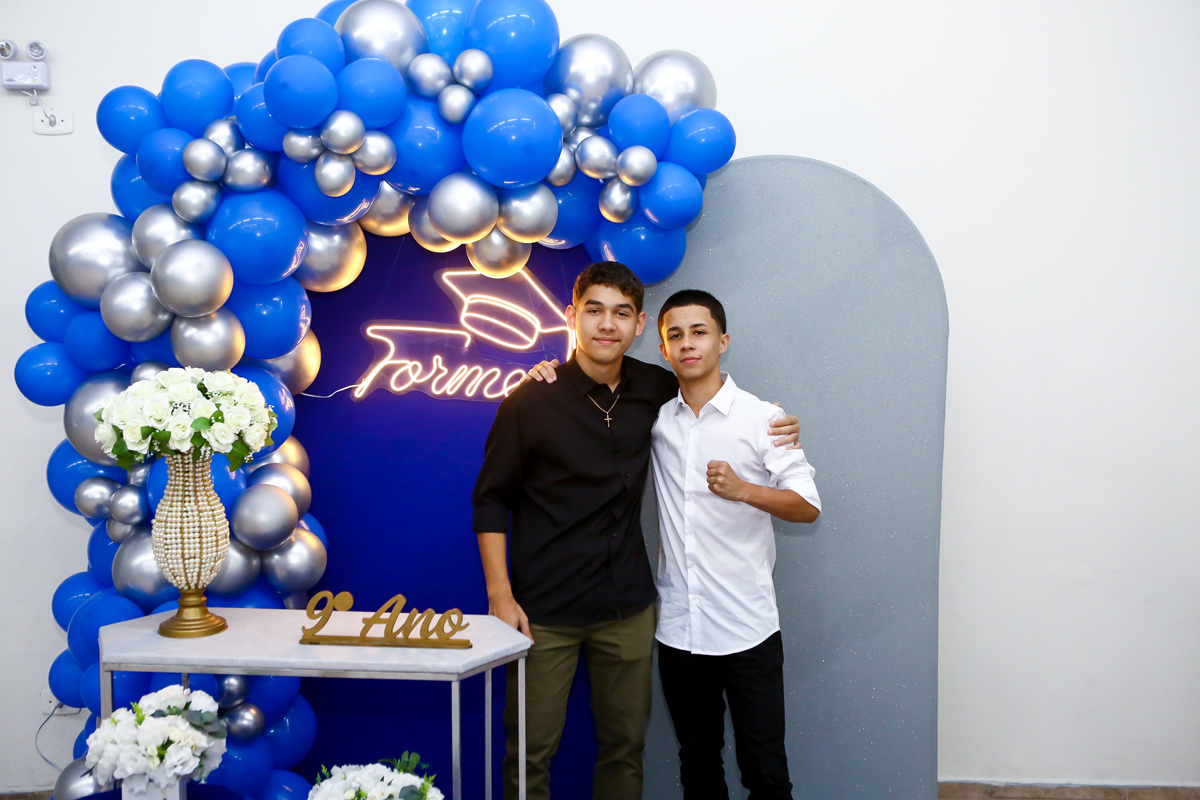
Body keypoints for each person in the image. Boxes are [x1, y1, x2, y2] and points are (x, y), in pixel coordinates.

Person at [472, 262, 802, 800]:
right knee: (529, 752)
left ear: (640, 325)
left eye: (621, 313)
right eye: (594, 310)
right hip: (544, 611)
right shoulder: (529, 400)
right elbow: (490, 500)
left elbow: (713, 391)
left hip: (627, 607)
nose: (607, 324)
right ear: (571, 316)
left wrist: (777, 424)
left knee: (625, 750)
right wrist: (499, 595)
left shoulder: (656, 387)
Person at [652, 289, 821, 799]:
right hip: (680, 629)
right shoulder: (656, 421)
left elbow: (807, 505)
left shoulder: (763, 418)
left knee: (765, 773)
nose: (688, 343)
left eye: (699, 332)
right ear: (663, 349)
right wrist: (545, 370)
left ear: (722, 341)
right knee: (698, 767)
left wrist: (744, 490)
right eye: (675, 335)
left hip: (748, 627)